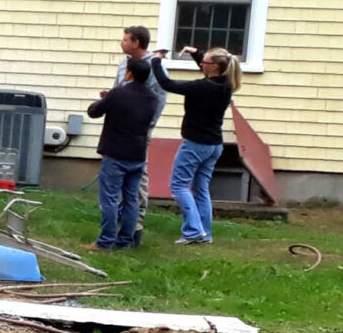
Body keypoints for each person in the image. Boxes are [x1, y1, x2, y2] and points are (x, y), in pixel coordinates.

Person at [158, 47, 240, 245]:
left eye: (204, 62)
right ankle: (205, 234)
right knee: (201, 189)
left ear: (214, 67)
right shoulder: (225, 84)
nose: (201, 64)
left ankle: (193, 231)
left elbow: (167, 83)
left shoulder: (202, 88)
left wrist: (156, 61)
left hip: (195, 144)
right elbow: (207, 69)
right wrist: (195, 52)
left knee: (178, 186)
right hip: (214, 145)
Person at [87, 55, 161, 250]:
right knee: (131, 199)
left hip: (115, 153)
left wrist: (105, 100)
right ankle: (125, 240)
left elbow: (94, 112)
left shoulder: (118, 93)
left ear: (129, 73)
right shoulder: (152, 99)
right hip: (137, 154)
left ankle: (105, 241)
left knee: (110, 198)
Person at [115, 25, 169, 100]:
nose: (121, 43)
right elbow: (116, 88)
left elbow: (159, 97)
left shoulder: (156, 67)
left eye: (125, 40)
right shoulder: (124, 64)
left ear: (136, 43)